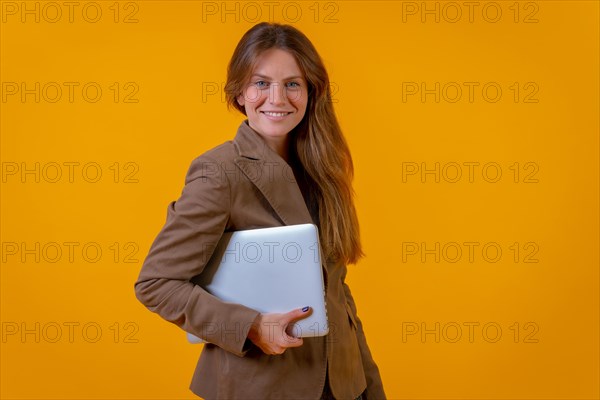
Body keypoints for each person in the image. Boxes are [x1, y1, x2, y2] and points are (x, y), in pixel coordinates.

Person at [134, 22, 386, 400]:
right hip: (262, 388)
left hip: (344, 387)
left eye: (292, 84)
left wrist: (370, 387)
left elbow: (338, 295)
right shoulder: (219, 171)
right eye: (261, 83)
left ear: (312, 91)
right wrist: (251, 326)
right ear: (239, 93)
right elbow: (156, 284)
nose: (278, 98)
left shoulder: (325, 167)